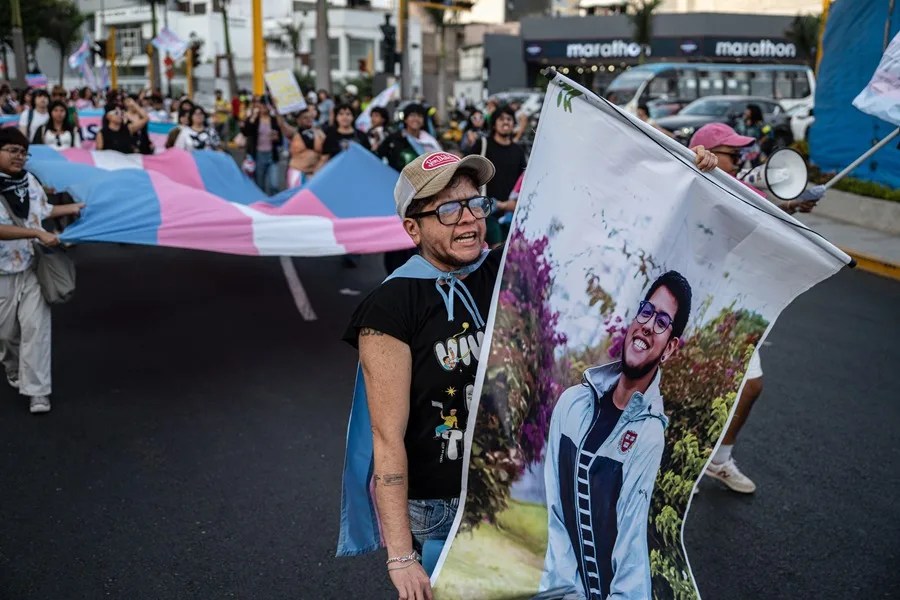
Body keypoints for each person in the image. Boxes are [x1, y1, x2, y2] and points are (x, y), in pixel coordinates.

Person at [343, 150, 502, 600]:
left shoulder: (501, 269)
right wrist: (401, 556)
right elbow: (386, 436)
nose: (468, 219)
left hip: (511, 486)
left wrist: (691, 168)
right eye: (447, 209)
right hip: (440, 505)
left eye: (474, 203)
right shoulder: (391, 308)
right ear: (412, 228)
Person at [541, 271, 693, 600]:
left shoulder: (650, 434)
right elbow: (551, 511)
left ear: (670, 348)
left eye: (663, 321)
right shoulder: (572, 404)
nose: (649, 325)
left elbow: (632, 550)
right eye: (647, 312)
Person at [689, 123, 820, 494]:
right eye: (733, 154)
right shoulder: (694, 178)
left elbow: (765, 210)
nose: (742, 160)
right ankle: (669, 466)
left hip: (732, 303)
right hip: (695, 304)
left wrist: (794, 204)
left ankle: (718, 460)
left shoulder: (737, 185)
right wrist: (696, 163)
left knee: (750, 386)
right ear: (710, 152)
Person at [0, 128, 83, 414]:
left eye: (23, 152)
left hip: (32, 266)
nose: (19, 157)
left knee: (36, 328)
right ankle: (12, 367)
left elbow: (43, 210)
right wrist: (36, 233)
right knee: (6, 335)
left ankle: (37, 392)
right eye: (12, 150)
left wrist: (75, 207)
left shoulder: (29, 181)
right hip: (2, 274)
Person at [376, 103, 443, 274]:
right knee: (396, 240)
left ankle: (418, 275)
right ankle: (394, 276)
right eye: (411, 115)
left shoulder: (429, 142)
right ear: (405, 119)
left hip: (423, 197)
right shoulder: (393, 139)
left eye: (419, 115)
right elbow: (375, 159)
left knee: (419, 236)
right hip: (397, 197)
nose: (415, 119)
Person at [466, 105, 527, 247]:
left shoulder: (518, 150)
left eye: (509, 119)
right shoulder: (483, 144)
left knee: (511, 251)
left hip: (510, 214)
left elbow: (522, 181)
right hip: (486, 213)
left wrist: (512, 203)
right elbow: (467, 173)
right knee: (495, 251)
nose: (506, 122)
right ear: (494, 124)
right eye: (501, 119)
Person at [242, 96, 283, 193]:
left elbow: (280, 139)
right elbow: (246, 132)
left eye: (266, 105)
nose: (264, 107)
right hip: (258, 155)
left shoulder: (274, 120)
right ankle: (261, 206)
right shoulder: (254, 119)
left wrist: (276, 138)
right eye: (262, 104)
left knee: (274, 184)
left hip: (272, 155)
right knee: (260, 185)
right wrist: (253, 117)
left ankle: (274, 206)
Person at [276, 107, 324, 189]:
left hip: (314, 173)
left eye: (310, 117)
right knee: (296, 199)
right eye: (305, 118)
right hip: (297, 172)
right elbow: (282, 124)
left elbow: (328, 150)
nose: (309, 119)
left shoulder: (319, 133)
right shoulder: (294, 133)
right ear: (298, 120)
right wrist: (278, 110)